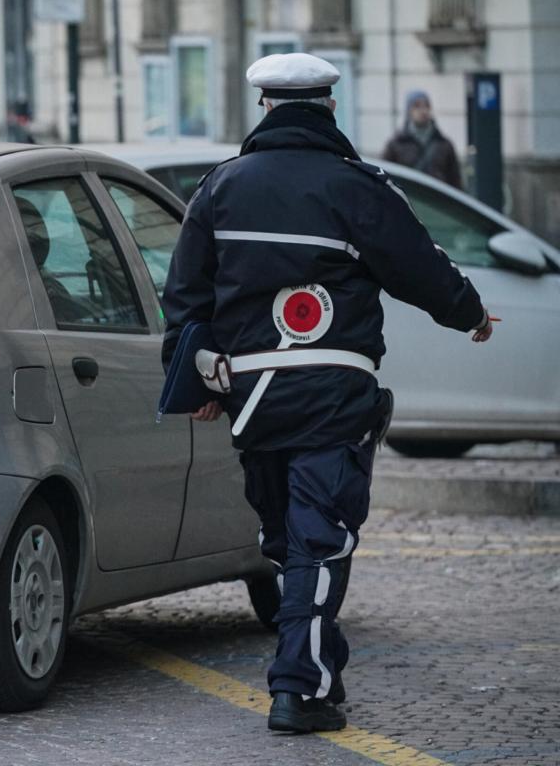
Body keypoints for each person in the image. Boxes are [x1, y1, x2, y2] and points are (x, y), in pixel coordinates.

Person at [161, 53, 494, 734]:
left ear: (264, 108)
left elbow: (186, 297)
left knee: (293, 539)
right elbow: (420, 266)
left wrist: (196, 379)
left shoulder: (219, 188)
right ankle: (302, 688)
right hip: (333, 388)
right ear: (330, 108)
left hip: (252, 397)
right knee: (315, 539)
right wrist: (471, 314)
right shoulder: (356, 186)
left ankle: (312, 672)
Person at [380, 90, 463, 189]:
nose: (423, 110)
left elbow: (455, 182)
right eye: (417, 106)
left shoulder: (444, 144)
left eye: (426, 106)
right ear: (409, 110)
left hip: (437, 200)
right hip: (408, 199)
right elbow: (384, 177)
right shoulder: (396, 144)